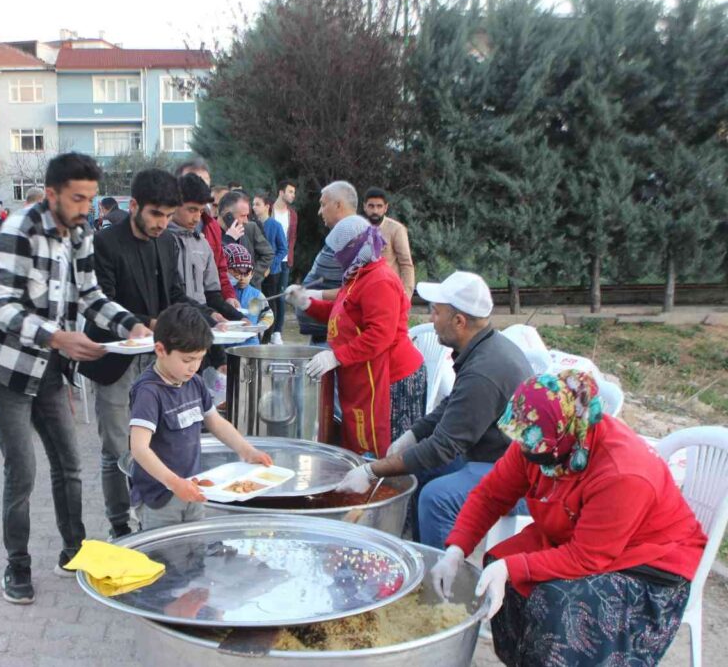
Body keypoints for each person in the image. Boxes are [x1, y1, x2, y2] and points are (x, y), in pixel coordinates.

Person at [431, 370, 706, 667]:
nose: (523, 450)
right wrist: (456, 550)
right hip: (580, 535)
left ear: (564, 435)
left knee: (556, 600)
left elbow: (588, 558)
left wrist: (514, 568)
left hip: (648, 562)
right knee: (498, 562)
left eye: (531, 445)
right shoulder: (538, 438)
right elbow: (490, 495)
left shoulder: (623, 472)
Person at [0, 153, 150, 604]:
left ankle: (73, 553)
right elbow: (0, 305)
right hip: (9, 372)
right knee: (23, 471)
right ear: (51, 194)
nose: (86, 208)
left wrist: (129, 324)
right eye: (78, 198)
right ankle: (17, 567)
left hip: (52, 372)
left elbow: (91, 294)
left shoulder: (81, 233)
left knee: (69, 466)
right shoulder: (17, 231)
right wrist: (57, 337)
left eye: (91, 199)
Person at [336, 271, 534, 548]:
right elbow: (452, 404)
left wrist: (372, 471)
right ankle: (419, 550)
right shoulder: (485, 348)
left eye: (436, 313)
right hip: (491, 458)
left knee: (436, 497)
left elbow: (442, 447)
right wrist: (414, 435)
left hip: (518, 477)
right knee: (414, 472)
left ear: (459, 321)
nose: (431, 319)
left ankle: (440, 579)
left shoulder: (484, 372)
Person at [80, 169, 212, 540]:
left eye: (169, 216)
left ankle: (159, 516)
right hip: (115, 359)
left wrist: (211, 317)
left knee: (161, 444)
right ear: (134, 205)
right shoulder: (104, 243)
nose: (162, 224)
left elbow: (175, 294)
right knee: (118, 448)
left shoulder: (168, 242)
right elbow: (99, 304)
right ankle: (120, 525)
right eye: (156, 215)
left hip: (160, 358)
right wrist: (147, 322)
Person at [286, 215, 424, 458]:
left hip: (392, 378)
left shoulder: (379, 280)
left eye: (339, 252)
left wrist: (336, 357)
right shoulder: (359, 275)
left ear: (355, 248)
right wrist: (307, 304)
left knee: (389, 454)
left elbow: (379, 335)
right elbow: (343, 313)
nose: (336, 257)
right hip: (367, 371)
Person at [129, 304, 272, 530]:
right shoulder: (149, 392)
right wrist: (173, 483)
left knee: (194, 553)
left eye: (199, 359)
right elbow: (139, 448)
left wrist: (247, 450)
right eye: (187, 360)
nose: (193, 367)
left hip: (194, 488)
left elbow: (215, 421)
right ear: (160, 350)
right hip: (160, 498)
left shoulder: (194, 382)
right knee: (165, 558)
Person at [165, 174, 240, 321]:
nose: (197, 218)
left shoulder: (202, 244)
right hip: (169, 325)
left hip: (201, 323)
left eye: (200, 211)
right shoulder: (160, 241)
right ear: (174, 205)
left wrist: (237, 317)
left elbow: (212, 293)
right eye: (192, 210)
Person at [296, 181, 359, 345]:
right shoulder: (339, 237)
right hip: (323, 334)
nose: (319, 211)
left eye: (323, 205)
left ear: (338, 205)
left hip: (337, 338)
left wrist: (315, 295)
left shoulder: (355, 239)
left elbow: (358, 291)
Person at [174, 158, 237, 307]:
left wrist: (228, 296)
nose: (200, 187)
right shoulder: (161, 234)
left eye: (205, 183)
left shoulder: (211, 226)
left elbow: (218, 268)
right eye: (193, 180)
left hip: (204, 311)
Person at [363, 187, 415, 298]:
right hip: (364, 292)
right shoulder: (359, 228)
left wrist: (406, 297)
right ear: (365, 207)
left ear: (385, 208)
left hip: (388, 293)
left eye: (379, 206)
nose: (375, 211)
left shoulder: (396, 229)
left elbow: (406, 265)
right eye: (371, 206)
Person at [217, 191, 273, 290]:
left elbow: (268, 254)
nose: (246, 220)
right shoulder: (209, 232)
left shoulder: (250, 228)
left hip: (248, 292)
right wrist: (228, 240)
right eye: (242, 216)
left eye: (247, 215)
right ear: (227, 215)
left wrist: (251, 276)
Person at [251, 193, 287, 344]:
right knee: (255, 301)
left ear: (267, 206)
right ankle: (255, 333)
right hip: (256, 272)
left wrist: (271, 266)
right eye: (253, 204)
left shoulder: (275, 225)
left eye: (258, 204)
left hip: (272, 273)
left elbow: (283, 248)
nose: (254, 207)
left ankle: (268, 336)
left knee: (270, 303)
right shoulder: (252, 224)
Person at [226, 244, 273, 346]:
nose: (242, 278)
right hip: (228, 343)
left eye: (246, 274)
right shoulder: (226, 293)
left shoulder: (257, 295)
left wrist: (258, 327)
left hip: (251, 343)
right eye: (237, 273)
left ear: (251, 274)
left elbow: (268, 315)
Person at [270, 180, 298, 345]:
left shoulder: (292, 214)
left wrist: (290, 257)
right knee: (268, 297)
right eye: (290, 191)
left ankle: (277, 332)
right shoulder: (270, 209)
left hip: (285, 261)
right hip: (269, 259)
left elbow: (292, 238)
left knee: (281, 296)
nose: (292, 195)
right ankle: (266, 330)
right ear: (281, 192)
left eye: (293, 192)